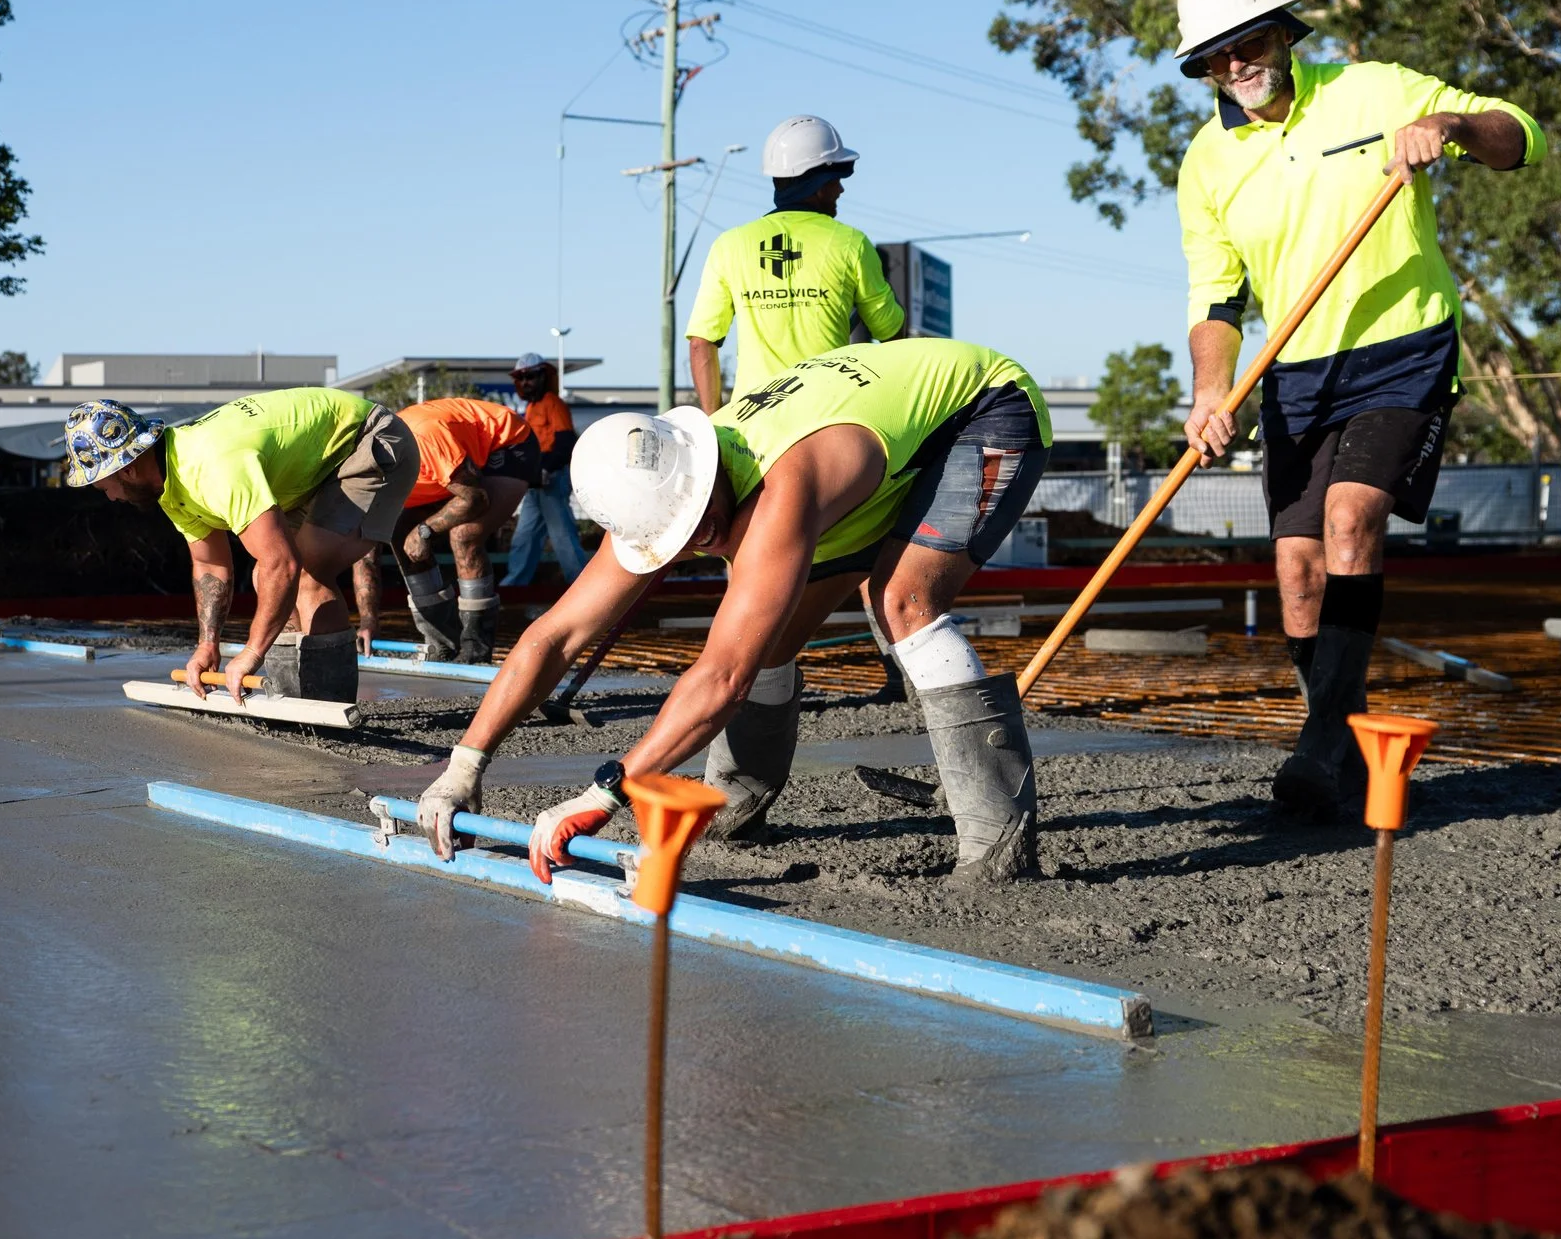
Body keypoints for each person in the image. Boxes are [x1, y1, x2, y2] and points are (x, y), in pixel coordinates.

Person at [414, 338, 1053, 887]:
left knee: (901, 600)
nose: (699, 542)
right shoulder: (646, 487)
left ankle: (998, 837)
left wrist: (606, 792)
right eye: (680, 537)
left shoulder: (783, 485)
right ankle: (738, 798)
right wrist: (463, 765)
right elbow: (553, 637)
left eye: (702, 524)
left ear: (702, 473)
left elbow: (723, 677)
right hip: (872, 444)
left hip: (983, 407)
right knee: (769, 640)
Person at [1169, 0, 1543, 821]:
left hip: (1403, 345)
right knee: (1298, 573)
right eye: (1215, 56)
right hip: (1294, 369)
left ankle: (1319, 748)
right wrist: (1210, 389)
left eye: (1247, 40)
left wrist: (1448, 124)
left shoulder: (1371, 90)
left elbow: (1518, 133)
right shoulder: (1205, 164)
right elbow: (1215, 295)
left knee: (1349, 519)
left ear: (1283, 30)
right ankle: (1335, 737)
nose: (1236, 64)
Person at [70, 387, 417, 702]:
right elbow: (211, 566)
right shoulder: (171, 484)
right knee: (264, 579)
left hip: (368, 439)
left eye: (105, 488)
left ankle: (326, 700)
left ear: (128, 470)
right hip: (315, 467)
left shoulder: (210, 467)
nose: (112, 499)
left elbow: (284, 564)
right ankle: (295, 694)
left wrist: (251, 653)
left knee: (306, 574)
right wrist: (208, 644)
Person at [686, 114, 905, 414]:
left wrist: (714, 428)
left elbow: (701, 344)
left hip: (752, 422)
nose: (840, 190)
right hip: (829, 419)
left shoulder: (730, 245)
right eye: (836, 180)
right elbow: (893, 335)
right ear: (817, 184)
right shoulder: (851, 243)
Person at [350, 395, 538, 663]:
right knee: (401, 532)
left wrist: (426, 530)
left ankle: (475, 646)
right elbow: (364, 554)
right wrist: (368, 621)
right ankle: (443, 642)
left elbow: (475, 498)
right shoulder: (362, 478)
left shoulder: (423, 441)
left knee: (464, 535)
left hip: (507, 442)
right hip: (454, 465)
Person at [500, 353, 585, 588]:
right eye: (521, 377)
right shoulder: (531, 408)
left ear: (543, 377)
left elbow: (566, 442)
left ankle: (580, 587)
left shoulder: (553, 403)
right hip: (535, 481)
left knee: (562, 536)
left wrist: (548, 468)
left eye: (530, 376)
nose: (525, 382)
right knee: (524, 537)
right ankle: (514, 587)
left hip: (552, 478)